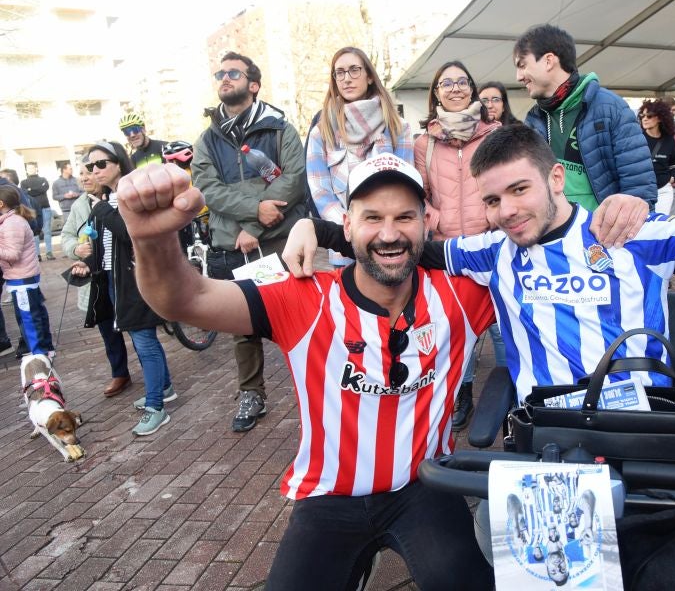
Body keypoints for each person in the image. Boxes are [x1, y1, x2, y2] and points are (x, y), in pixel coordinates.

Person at [286, 83, 675, 589]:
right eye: (491, 199)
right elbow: (406, 246)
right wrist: (319, 229)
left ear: (555, 178)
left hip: (642, 447)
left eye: (518, 190)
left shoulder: (626, 232)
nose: (506, 210)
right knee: (559, 580)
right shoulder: (494, 250)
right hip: (550, 449)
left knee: (659, 578)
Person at [115, 154, 496, 590]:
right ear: (347, 227)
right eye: (372, 217)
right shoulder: (305, 297)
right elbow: (187, 299)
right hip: (329, 497)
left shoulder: (461, 294)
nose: (389, 234)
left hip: (424, 486)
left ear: (427, 222)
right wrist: (152, 241)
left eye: (404, 217)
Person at [191, 51, 307, 432]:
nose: (224, 78)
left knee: (297, 316)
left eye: (233, 73)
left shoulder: (279, 129)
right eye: (220, 73)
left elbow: (293, 179)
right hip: (232, 245)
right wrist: (256, 208)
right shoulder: (207, 139)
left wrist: (255, 226)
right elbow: (208, 189)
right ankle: (251, 393)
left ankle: (311, 387)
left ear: (253, 85)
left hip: (278, 241)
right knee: (242, 327)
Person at [414, 60, 502, 430]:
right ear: (435, 92)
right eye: (446, 83)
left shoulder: (495, 135)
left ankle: (517, 391)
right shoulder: (424, 143)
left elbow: (504, 186)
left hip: (493, 248)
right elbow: (420, 196)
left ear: (472, 88)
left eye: (462, 81)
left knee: (504, 327)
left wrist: (495, 218)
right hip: (448, 253)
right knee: (456, 328)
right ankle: (462, 392)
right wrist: (435, 222)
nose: (454, 88)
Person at [84, 141, 176, 435]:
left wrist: (102, 211)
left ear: (119, 163)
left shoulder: (131, 193)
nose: (94, 170)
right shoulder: (109, 197)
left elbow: (134, 234)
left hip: (137, 278)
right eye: (90, 166)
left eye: (101, 164)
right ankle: (164, 388)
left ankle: (155, 407)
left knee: (144, 340)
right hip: (115, 279)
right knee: (142, 338)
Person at [515, 24, 657, 209]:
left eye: (522, 65)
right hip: (557, 235)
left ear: (549, 61)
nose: (518, 76)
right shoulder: (534, 120)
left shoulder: (609, 107)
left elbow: (639, 186)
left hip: (605, 234)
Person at [307, 46, 412, 267]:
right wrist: (351, 228)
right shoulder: (322, 131)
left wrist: (379, 226)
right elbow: (320, 192)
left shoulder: (397, 128)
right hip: (344, 247)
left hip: (389, 242)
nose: (347, 79)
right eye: (340, 73)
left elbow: (405, 188)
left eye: (354, 70)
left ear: (369, 76)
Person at [61, 156, 131, 398]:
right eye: (81, 173)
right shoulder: (80, 203)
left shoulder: (118, 195)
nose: (84, 177)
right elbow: (68, 236)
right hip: (97, 277)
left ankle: (155, 378)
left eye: (88, 172)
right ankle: (119, 372)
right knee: (106, 327)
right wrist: (76, 249)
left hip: (122, 273)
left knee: (135, 326)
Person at [0, 184, 53, 358]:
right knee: (35, 314)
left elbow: (13, 254)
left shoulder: (12, 223)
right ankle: (45, 349)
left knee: (29, 318)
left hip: (21, 278)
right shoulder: (12, 220)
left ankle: (39, 354)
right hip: (23, 276)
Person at [638, 99, 675, 215]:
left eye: (649, 116)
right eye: (642, 116)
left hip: (663, 191)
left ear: (660, 118)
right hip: (642, 191)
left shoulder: (669, 140)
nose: (645, 119)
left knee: (661, 224)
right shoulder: (637, 139)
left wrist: (673, 177)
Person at [22, 163, 53, 261]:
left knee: (47, 230)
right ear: (26, 170)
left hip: (45, 207)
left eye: (33, 167)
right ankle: (37, 255)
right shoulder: (23, 182)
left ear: (36, 168)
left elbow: (44, 188)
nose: (31, 169)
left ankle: (49, 252)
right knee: (34, 232)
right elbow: (26, 192)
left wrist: (32, 190)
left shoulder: (43, 179)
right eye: (29, 168)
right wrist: (38, 190)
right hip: (31, 209)